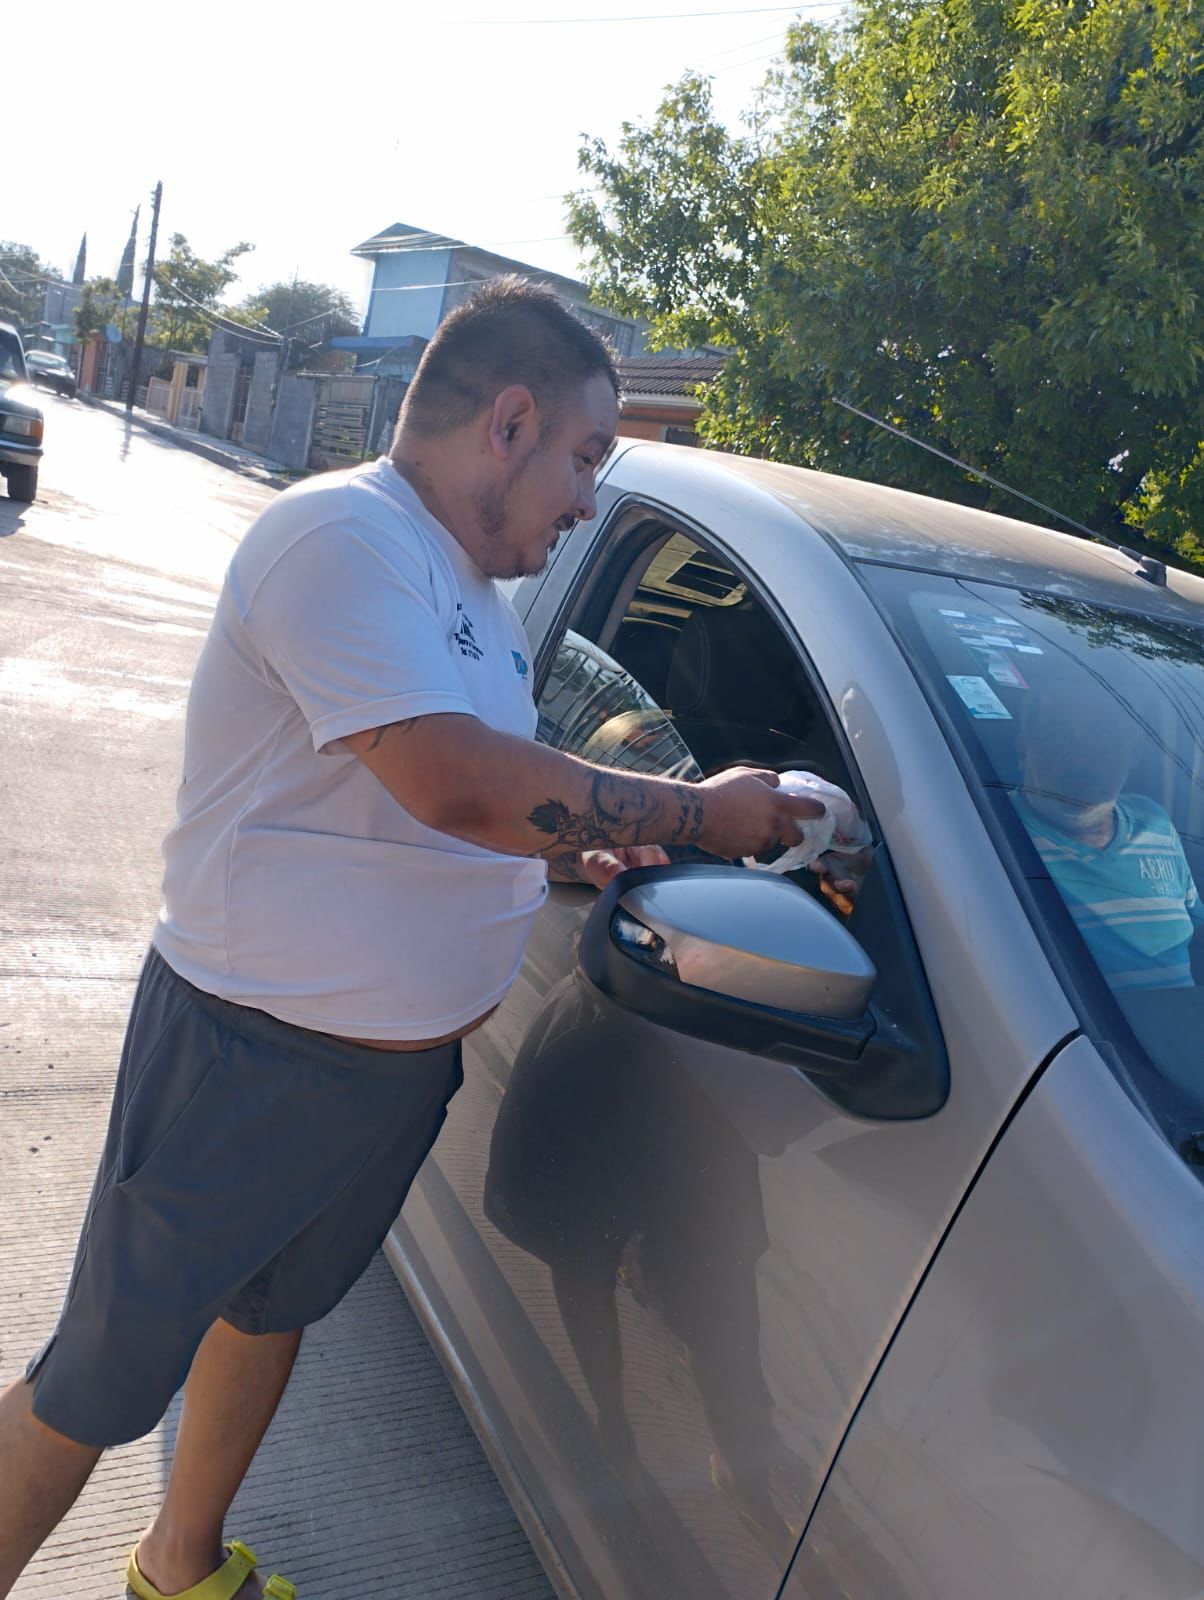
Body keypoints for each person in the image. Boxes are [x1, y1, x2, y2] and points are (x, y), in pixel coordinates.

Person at [0, 278, 823, 1600]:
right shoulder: (341, 536)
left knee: (272, 1313)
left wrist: (574, 840)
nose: (580, 501)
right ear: (509, 420)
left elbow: (465, 800)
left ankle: (180, 1565)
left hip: (380, 1075)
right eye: (581, 459)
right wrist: (704, 815)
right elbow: (451, 781)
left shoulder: (479, 607)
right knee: (97, 1377)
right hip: (249, 1059)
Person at [1014, 680, 1204, 992]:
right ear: (1023, 747)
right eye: (1056, 736)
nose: (1078, 759)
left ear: (1135, 753)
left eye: (1103, 738)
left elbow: (1194, 933)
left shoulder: (1154, 822)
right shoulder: (988, 830)